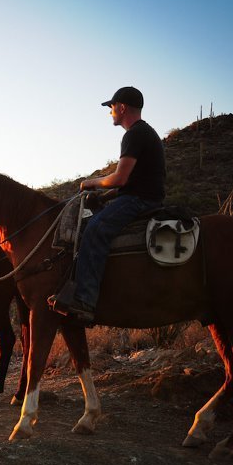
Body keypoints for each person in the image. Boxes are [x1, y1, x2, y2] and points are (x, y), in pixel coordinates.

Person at [50, 86, 165, 324]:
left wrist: (91, 183)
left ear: (122, 108)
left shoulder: (134, 134)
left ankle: (85, 300)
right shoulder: (144, 133)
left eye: (112, 108)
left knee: (95, 229)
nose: (111, 112)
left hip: (140, 200)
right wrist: (104, 197)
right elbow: (131, 182)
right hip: (139, 195)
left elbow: (120, 178)